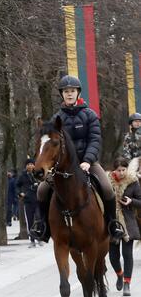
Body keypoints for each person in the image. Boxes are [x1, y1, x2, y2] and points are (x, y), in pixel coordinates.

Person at [30, 75, 125, 243]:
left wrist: (88, 160)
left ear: (78, 93)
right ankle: (42, 226)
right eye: (66, 91)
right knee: (42, 190)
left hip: (88, 162)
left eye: (72, 91)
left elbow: (95, 140)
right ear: (62, 94)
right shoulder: (56, 118)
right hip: (63, 166)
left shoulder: (90, 115)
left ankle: (112, 224)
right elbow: (49, 145)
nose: (69, 94)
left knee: (107, 187)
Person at [107, 157, 141, 296]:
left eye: (123, 170)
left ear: (127, 169)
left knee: (127, 255)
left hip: (127, 222)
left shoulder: (133, 182)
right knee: (113, 256)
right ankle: (119, 274)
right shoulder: (108, 182)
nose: (121, 173)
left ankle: (127, 283)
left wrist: (131, 201)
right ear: (114, 170)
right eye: (118, 170)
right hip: (113, 223)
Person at [17, 159, 41, 247]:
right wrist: (20, 193)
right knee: (30, 221)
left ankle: (39, 237)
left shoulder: (38, 174)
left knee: (39, 219)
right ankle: (32, 240)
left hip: (38, 200)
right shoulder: (22, 176)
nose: (30, 166)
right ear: (26, 166)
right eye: (28, 164)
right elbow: (17, 186)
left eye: (32, 164)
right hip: (28, 201)